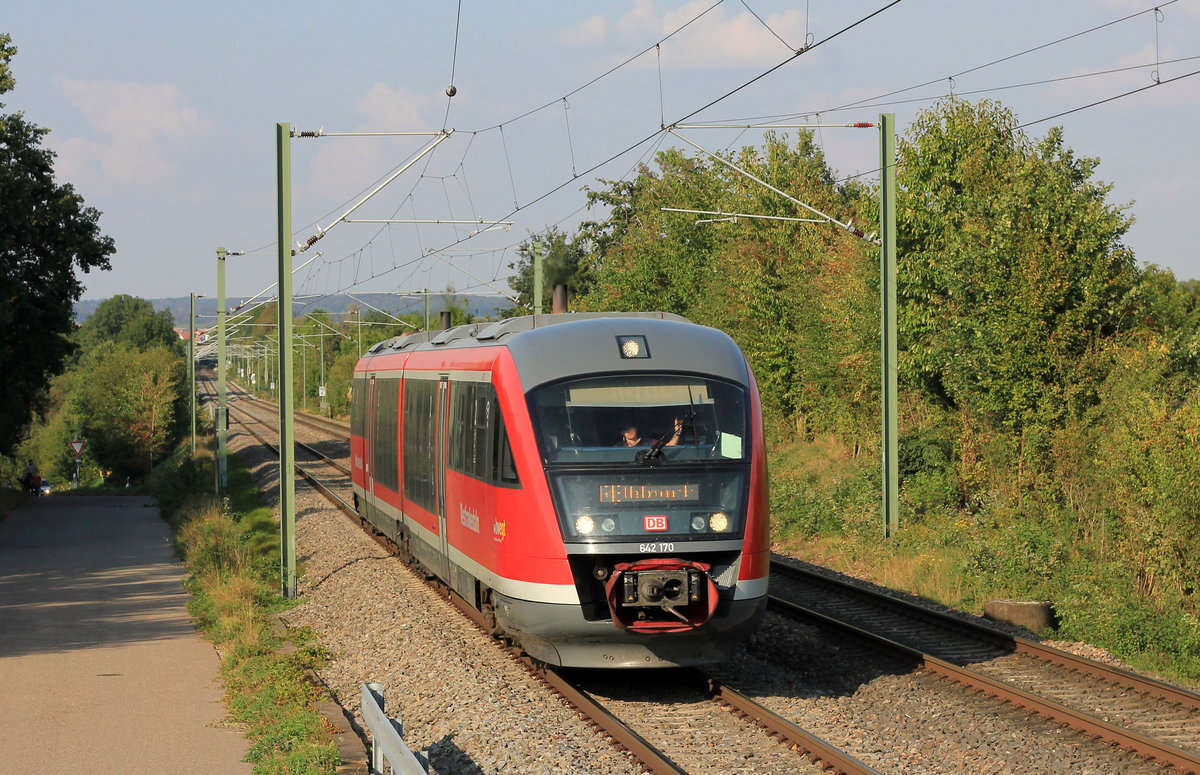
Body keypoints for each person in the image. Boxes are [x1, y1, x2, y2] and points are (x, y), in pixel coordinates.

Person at [618, 418, 683, 447]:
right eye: (625, 429)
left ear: (636, 428)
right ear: (621, 432)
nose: (628, 431)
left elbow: (669, 447)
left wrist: (677, 432)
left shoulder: (650, 442)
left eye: (630, 427)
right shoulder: (618, 447)